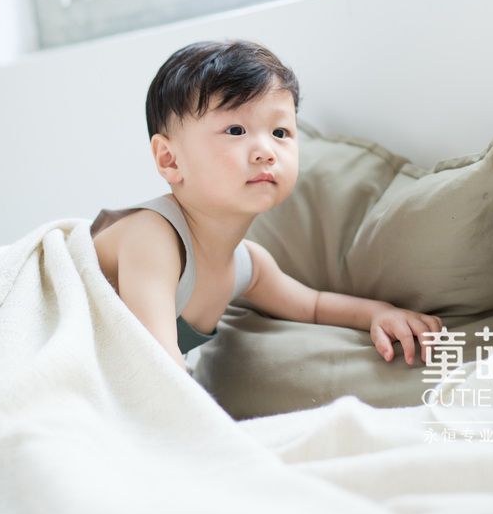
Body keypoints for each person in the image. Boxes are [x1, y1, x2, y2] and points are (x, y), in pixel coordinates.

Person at [90, 39, 442, 373]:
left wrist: (378, 314)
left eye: (280, 133)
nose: (266, 151)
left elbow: (312, 306)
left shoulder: (246, 263)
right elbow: (156, 363)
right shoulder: (152, 238)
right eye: (235, 130)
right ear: (170, 159)